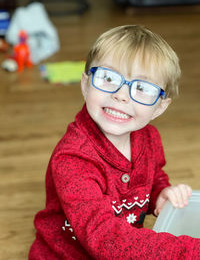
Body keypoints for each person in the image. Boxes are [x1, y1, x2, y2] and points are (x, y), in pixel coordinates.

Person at [29, 25, 200, 259]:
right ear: (85, 84)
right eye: (108, 78)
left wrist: (160, 193)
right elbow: (107, 240)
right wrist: (190, 251)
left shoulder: (149, 137)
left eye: (142, 88)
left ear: (160, 107)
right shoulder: (73, 159)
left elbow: (153, 175)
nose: (121, 95)